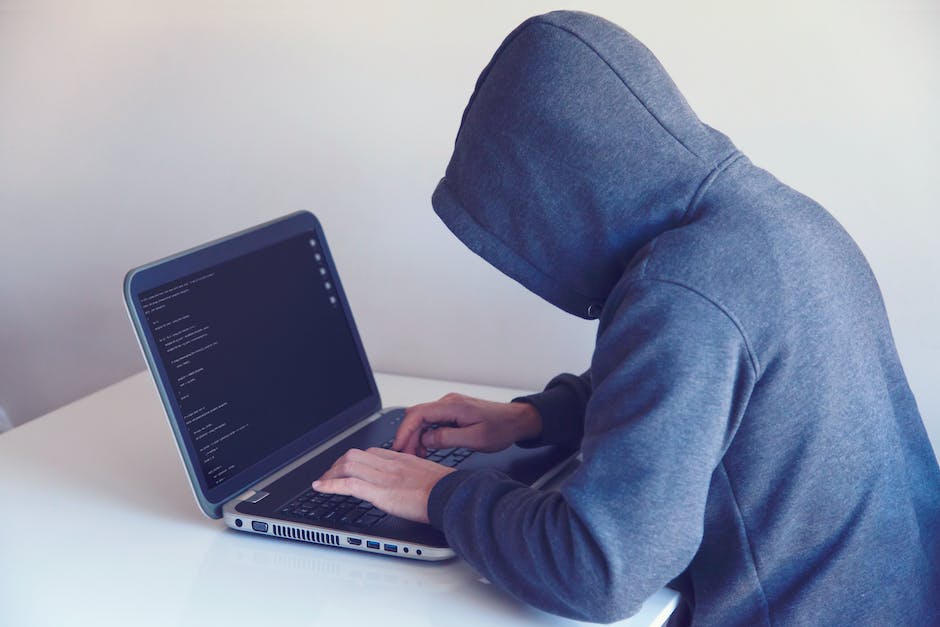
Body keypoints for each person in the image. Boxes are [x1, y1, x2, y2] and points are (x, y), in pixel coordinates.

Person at [312, 10, 940, 625]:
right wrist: (532, 418)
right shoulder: (781, 220)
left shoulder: (683, 291)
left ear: (559, 192)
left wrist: (434, 494)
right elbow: (714, 401)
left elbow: (598, 572)